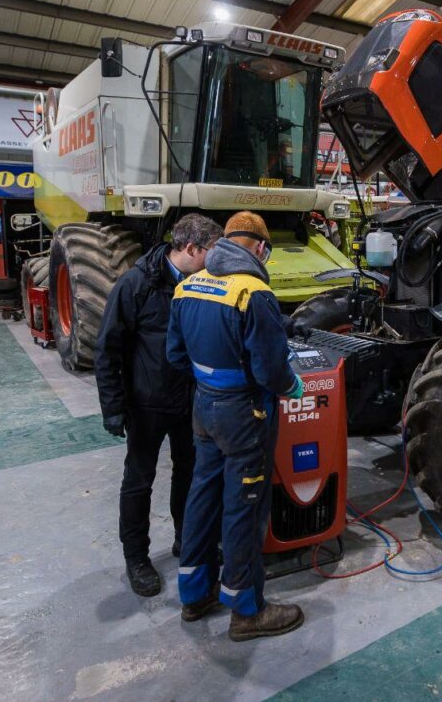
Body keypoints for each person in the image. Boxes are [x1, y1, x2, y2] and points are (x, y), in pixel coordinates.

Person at [167, 211, 306, 642]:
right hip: (245, 415)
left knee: (202, 497)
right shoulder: (254, 293)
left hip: (203, 407)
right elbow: (270, 370)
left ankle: (194, 594)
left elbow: (175, 355)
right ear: (261, 249)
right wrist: (292, 384)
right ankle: (246, 609)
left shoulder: (187, 286)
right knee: (244, 505)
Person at [94, 213, 224, 597]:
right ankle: (137, 558)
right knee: (139, 481)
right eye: (211, 252)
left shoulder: (204, 284)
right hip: (146, 405)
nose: (215, 261)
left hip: (191, 403)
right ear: (190, 249)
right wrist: (113, 406)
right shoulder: (136, 284)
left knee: (190, 475)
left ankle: (188, 540)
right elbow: (107, 350)